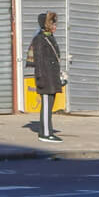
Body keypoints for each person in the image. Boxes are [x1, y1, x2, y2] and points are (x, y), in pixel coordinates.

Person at [30, 11, 64, 143]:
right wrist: (40, 78)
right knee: (45, 106)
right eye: (52, 23)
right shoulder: (40, 39)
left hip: (52, 77)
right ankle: (44, 133)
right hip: (45, 78)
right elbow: (38, 61)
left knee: (49, 107)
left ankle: (48, 131)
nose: (55, 25)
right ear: (46, 24)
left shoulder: (49, 37)